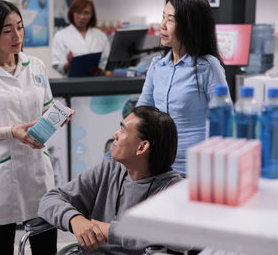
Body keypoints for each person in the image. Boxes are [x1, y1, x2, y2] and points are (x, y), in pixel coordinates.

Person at [0, 0, 71, 255]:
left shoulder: (36, 66)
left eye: (20, 27)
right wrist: (11, 131)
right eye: (7, 30)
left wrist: (57, 116)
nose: (17, 36)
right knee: (0, 249)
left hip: (37, 172)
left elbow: (44, 109)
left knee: (45, 249)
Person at [39, 106, 182, 254]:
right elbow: (49, 200)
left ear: (142, 147)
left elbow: (181, 237)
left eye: (123, 130)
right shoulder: (107, 170)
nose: (115, 134)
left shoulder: (174, 188)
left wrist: (110, 231)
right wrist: (75, 219)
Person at [136, 0, 230, 176]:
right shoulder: (157, 65)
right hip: (160, 167)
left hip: (196, 169)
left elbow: (225, 119)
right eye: (163, 17)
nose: (162, 25)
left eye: (170, 20)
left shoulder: (208, 67)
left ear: (190, 25)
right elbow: (142, 111)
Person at [52, 0, 110, 76]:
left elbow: (107, 63)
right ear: (72, 13)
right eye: (78, 12)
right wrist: (69, 64)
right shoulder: (61, 36)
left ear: (92, 15)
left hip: (97, 84)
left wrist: (100, 70)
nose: (82, 17)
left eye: (86, 13)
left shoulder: (100, 36)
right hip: (72, 85)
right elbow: (56, 65)